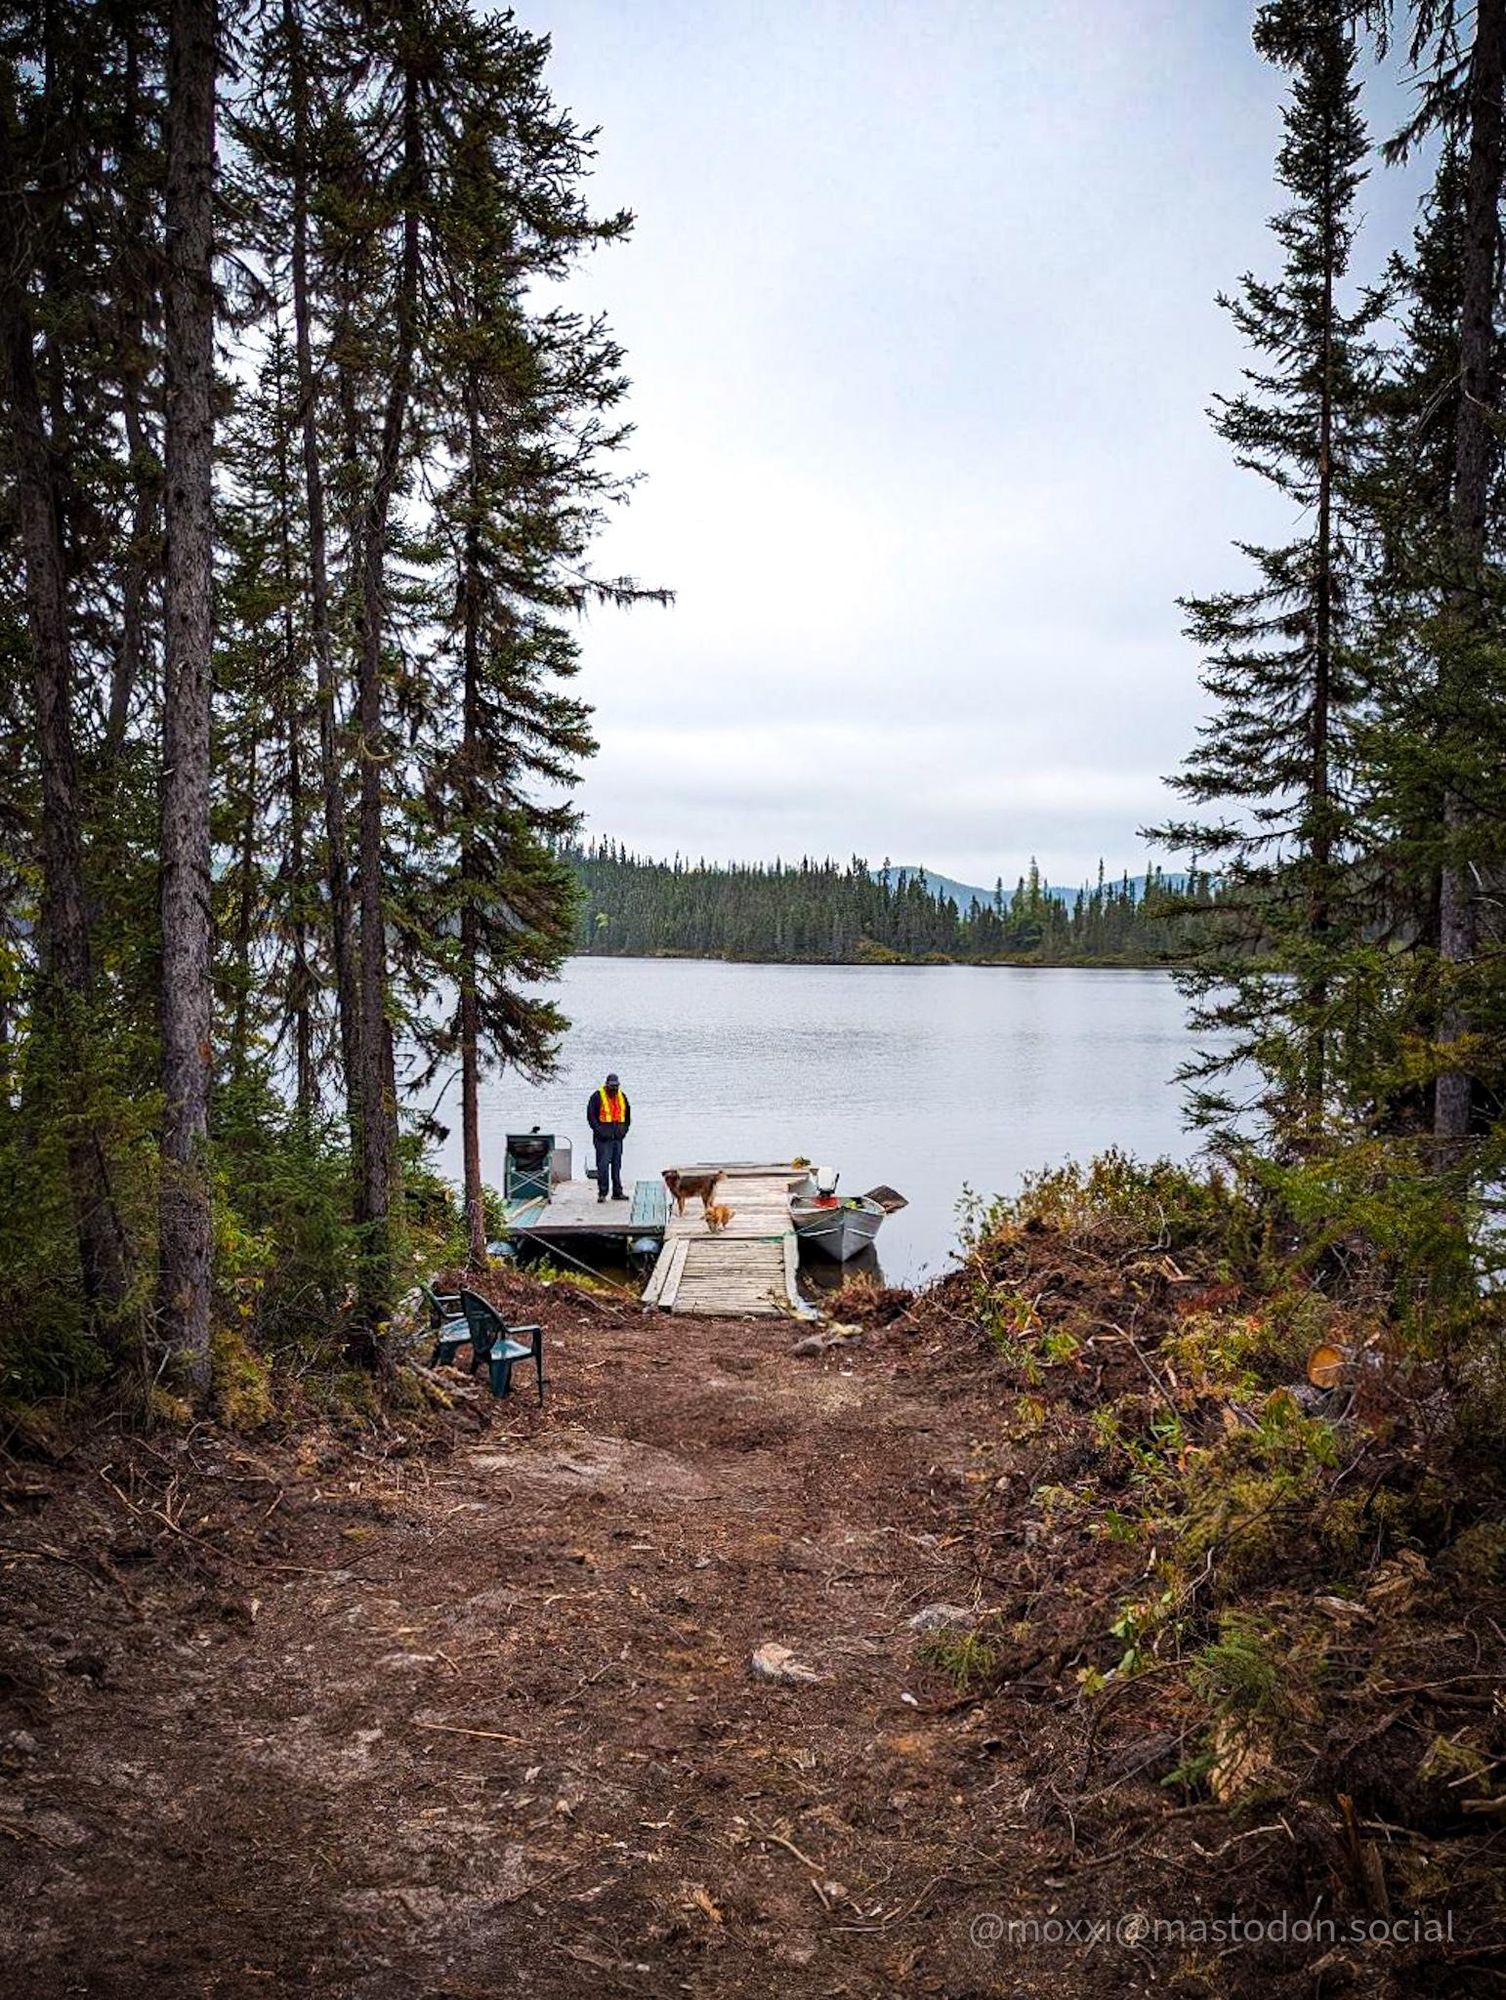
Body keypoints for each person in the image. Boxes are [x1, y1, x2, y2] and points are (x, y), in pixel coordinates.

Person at [587, 1072, 631, 1203]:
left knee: (617, 1166)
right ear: (606, 1085)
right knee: (603, 1165)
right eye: (612, 1086)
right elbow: (591, 1116)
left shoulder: (622, 1096)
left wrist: (624, 1131)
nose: (614, 1089)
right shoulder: (597, 1096)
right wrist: (599, 1131)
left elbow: (628, 1116)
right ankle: (602, 1192)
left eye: (616, 1086)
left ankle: (617, 1192)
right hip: (603, 1139)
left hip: (617, 1137)